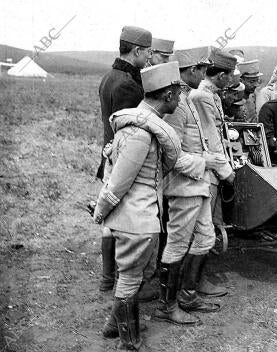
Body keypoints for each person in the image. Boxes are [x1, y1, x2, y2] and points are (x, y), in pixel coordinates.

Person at [93, 61, 182, 350]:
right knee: (130, 280)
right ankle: (129, 342)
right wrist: (100, 210)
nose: (180, 99)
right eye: (178, 94)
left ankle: (112, 327)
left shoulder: (138, 125)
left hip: (138, 218)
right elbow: (118, 181)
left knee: (133, 277)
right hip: (135, 220)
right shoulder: (141, 133)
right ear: (167, 95)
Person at [156, 50, 232, 326]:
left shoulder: (187, 99)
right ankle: (167, 305)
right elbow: (171, 155)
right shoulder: (176, 107)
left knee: (205, 239)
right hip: (182, 187)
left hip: (197, 184)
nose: (204, 75)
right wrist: (205, 161)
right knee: (176, 245)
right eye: (201, 70)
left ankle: (188, 295)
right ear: (190, 71)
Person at [97, 26, 152, 295]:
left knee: (110, 223)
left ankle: (108, 278)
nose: (149, 59)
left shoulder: (108, 77)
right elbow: (128, 132)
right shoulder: (130, 85)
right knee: (123, 222)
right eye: (148, 53)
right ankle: (123, 282)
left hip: (108, 156)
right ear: (137, 50)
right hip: (122, 159)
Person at [193, 50, 237, 296]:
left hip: (211, 167)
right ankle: (195, 284)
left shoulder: (212, 95)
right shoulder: (203, 97)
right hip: (206, 170)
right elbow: (211, 139)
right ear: (221, 76)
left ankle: (196, 281)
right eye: (229, 76)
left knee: (206, 226)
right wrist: (226, 172)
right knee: (202, 228)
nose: (231, 81)